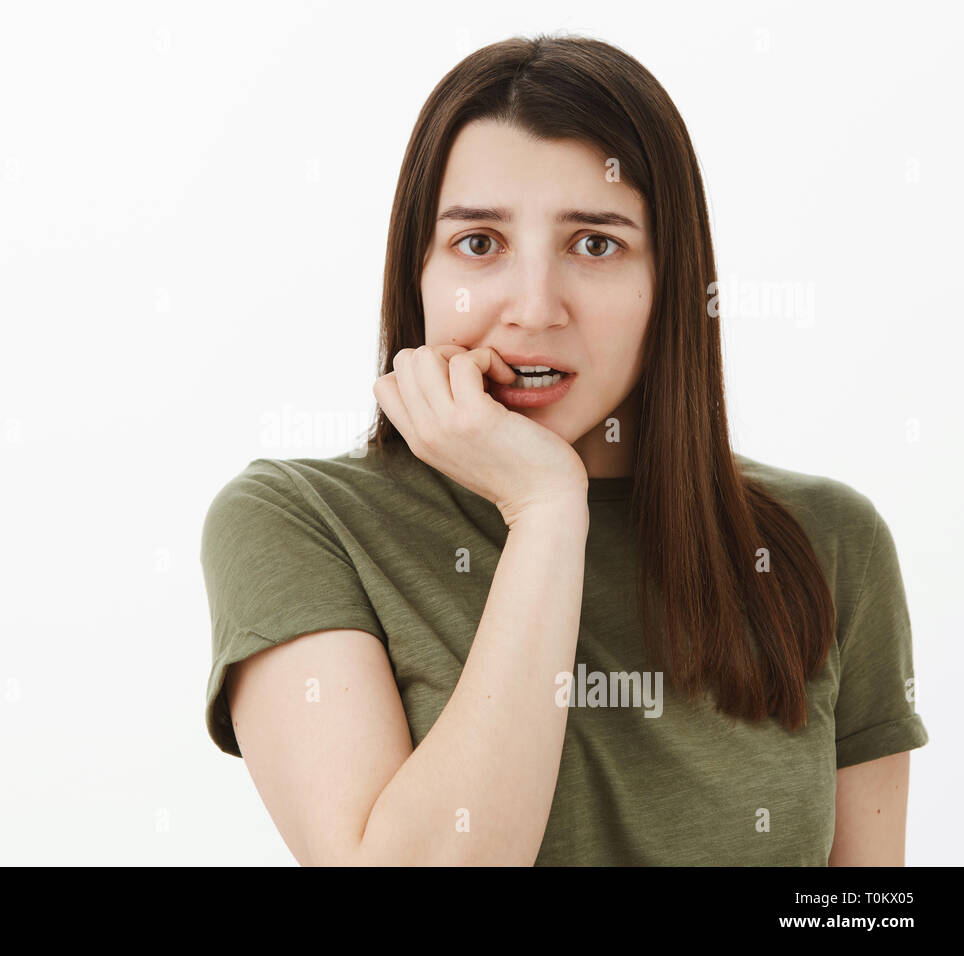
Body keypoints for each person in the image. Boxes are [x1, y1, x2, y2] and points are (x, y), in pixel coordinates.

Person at [199, 34, 928, 866]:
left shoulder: (828, 540)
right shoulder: (300, 524)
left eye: (595, 244)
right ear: (419, 275)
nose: (535, 308)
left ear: (672, 282)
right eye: (480, 243)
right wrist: (546, 511)